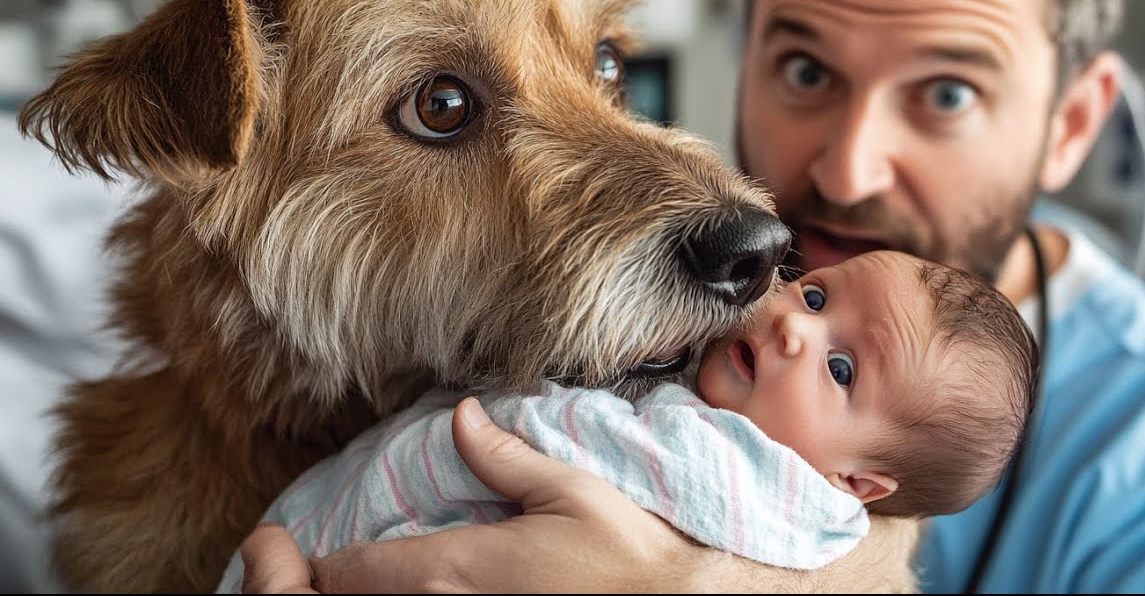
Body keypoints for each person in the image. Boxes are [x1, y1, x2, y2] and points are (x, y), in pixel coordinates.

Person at [241, 0, 1145, 593]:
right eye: (803, 71)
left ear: (1072, 124)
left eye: (946, 93)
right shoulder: (671, 313)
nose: (844, 168)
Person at [221, 250, 1037, 593]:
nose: (793, 322)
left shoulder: (745, 479)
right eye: (817, 294)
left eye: (842, 369)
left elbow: (560, 433)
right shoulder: (730, 366)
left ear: (856, 484)